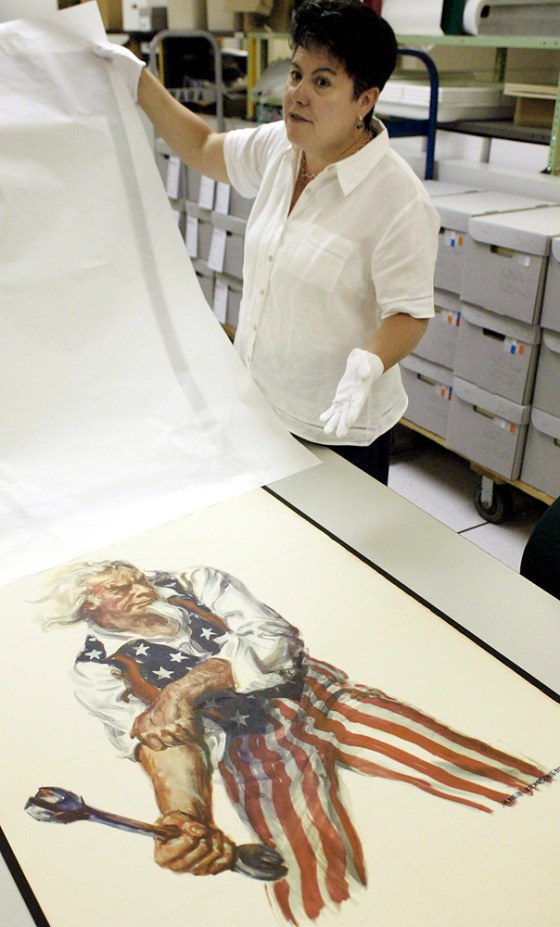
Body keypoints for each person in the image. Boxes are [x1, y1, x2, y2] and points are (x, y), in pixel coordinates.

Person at [44, 559, 551, 925]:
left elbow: (274, 639)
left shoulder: (196, 582)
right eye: (119, 587)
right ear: (88, 606)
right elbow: (165, 742)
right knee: (310, 874)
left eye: (134, 577)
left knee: (459, 764)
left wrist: (184, 688)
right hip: (253, 753)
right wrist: (187, 818)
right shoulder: (96, 671)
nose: (139, 586)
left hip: (320, 698)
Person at [94, 0, 440, 484]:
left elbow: (409, 311)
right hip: (259, 404)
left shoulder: (397, 198)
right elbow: (203, 148)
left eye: (322, 82)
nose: (297, 94)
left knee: (332, 554)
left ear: (365, 100)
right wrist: (139, 82)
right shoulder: (284, 146)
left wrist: (372, 360)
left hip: (336, 427)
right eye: (296, 74)